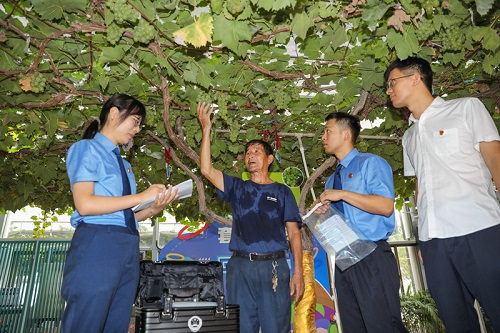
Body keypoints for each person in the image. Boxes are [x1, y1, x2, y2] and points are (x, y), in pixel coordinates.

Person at [385, 57, 500, 332]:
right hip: (433, 242)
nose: (388, 90)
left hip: (480, 229)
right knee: (456, 321)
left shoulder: (466, 108)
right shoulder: (408, 137)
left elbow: (495, 159)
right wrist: (424, 238)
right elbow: (419, 188)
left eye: (392, 82)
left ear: (416, 78)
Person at [62, 94, 178, 333]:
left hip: (127, 245)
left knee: (116, 321)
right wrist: (140, 196)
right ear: (114, 113)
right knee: (87, 320)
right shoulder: (86, 148)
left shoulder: (124, 165)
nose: (137, 129)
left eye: (139, 125)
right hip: (98, 243)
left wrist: (152, 208)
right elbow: (85, 204)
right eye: (135, 121)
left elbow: (123, 215)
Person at [196, 102, 304, 333]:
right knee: (242, 327)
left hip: (274, 266)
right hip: (240, 267)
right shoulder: (237, 187)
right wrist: (206, 129)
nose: (250, 155)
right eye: (247, 153)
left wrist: (298, 272)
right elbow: (206, 170)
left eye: (256, 151)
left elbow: (294, 233)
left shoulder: (283, 192)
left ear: (270, 159)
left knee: (277, 327)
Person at [316, 112, 407, 333]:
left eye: (328, 130)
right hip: (344, 259)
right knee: (353, 325)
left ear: (346, 134)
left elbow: (385, 206)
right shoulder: (331, 179)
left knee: (383, 324)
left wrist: (343, 194)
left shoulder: (371, 163)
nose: (323, 136)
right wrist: (324, 214)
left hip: (372, 255)